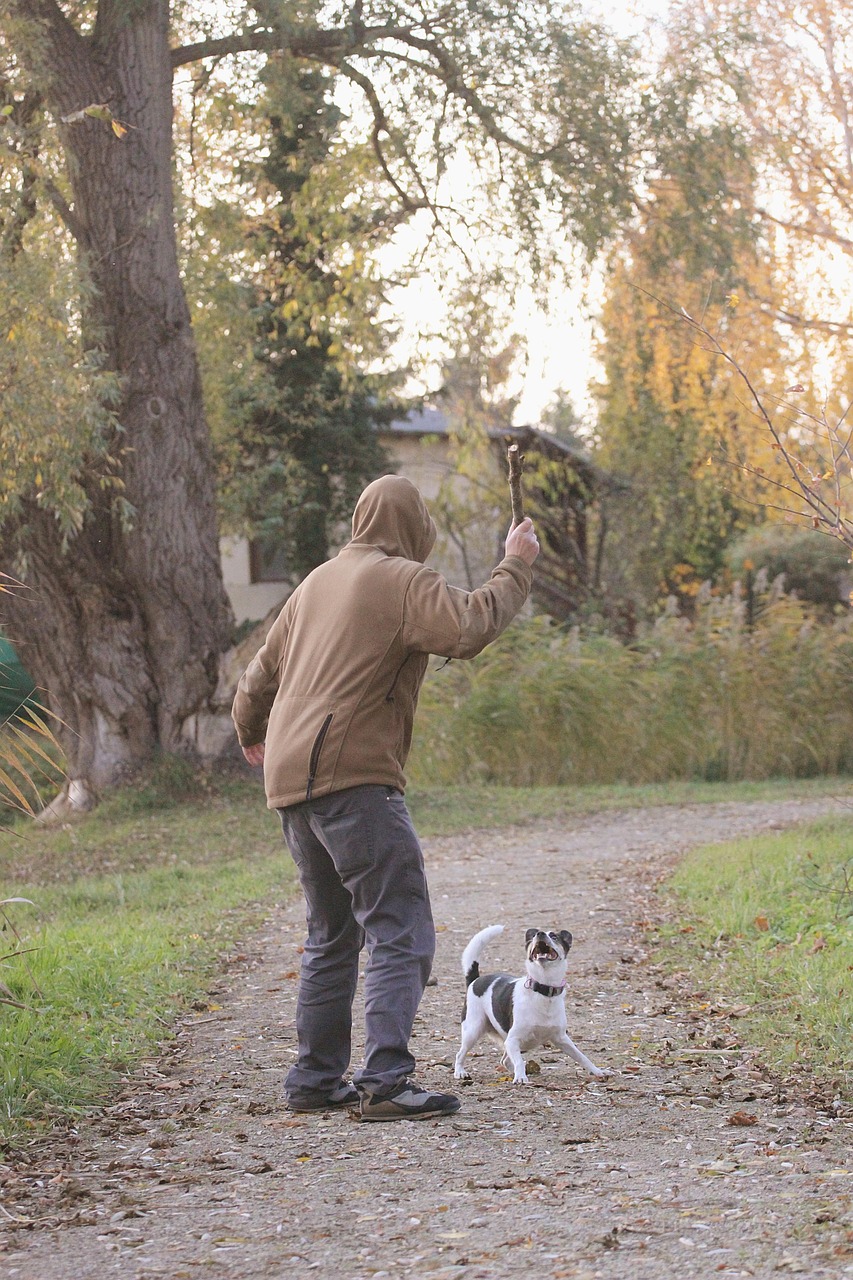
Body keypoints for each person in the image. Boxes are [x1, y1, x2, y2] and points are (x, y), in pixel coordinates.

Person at [232, 474, 539, 1121]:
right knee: (400, 929)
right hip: (354, 780)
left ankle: (315, 1080)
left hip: (292, 784)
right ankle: (386, 1081)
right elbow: (469, 626)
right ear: (411, 526)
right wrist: (515, 564)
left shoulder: (314, 582)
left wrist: (250, 734)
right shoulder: (401, 579)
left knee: (330, 934)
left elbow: (257, 676)